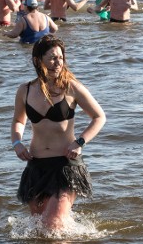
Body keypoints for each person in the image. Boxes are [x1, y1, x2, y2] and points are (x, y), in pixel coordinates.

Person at [11, 35, 106, 232]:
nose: (58, 63)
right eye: (53, 58)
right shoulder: (25, 90)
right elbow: (19, 120)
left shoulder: (71, 87)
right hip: (36, 166)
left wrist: (80, 142)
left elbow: (99, 117)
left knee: (53, 223)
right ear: (39, 59)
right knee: (40, 229)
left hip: (66, 166)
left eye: (61, 58)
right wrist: (17, 143)